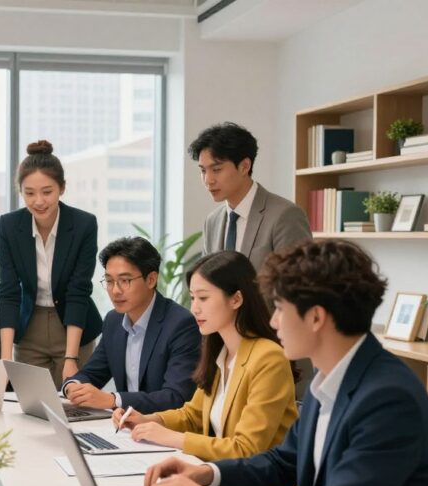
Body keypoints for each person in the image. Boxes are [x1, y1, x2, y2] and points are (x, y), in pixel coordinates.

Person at [142, 240, 428, 486]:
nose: (272, 322)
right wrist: (209, 474)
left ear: (316, 317)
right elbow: (283, 462)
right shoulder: (330, 377)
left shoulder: (388, 398)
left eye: (279, 309)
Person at [112, 251, 298, 461]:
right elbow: (193, 416)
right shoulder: (220, 352)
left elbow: (246, 449)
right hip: (223, 476)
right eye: (192, 298)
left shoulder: (268, 358)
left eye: (203, 298)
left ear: (236, 299)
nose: (194, 309)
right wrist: (148, 420)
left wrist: (172, 438)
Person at [0, 140, 102, 389]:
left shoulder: (84, 225)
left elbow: (79, 290)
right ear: (19, 191)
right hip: (29, 327)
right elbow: (8, 293)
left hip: (74, 327)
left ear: (62, 188)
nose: (38, 201)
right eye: (29, 193)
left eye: (47, 191)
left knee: (74, 407)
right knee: (30, 407)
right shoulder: (9, 226)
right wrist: (5, 359)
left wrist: (71, 357)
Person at [63, 237, 200, 414]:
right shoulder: (113, 321)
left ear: (151, 280)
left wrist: (113, 400)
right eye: (109, 281)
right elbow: (90, 374)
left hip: (162, 429)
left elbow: (176, 397)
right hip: (126, 427)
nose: (115, 291)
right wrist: (73, 386)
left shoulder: (180, 324)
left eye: (124, 281)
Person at [192, 122, 311, 270]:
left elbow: (297, 284)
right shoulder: (212, 221)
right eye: (203, 171)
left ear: (244, 166)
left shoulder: (285, 215)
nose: (208, 180)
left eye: (216, 169)